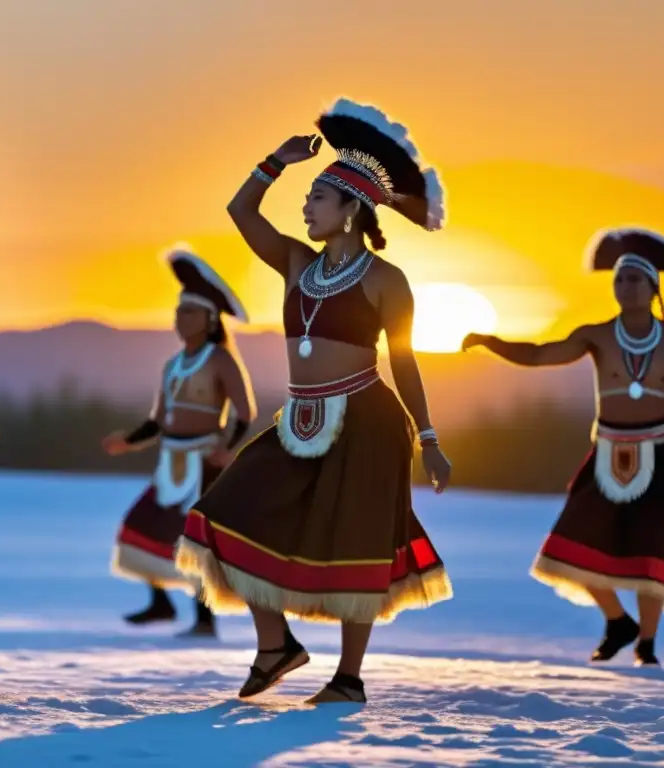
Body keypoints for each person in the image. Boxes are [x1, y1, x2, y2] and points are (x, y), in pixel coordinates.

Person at [176, 98, 454, 705]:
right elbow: (239, 210)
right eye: (307, 199)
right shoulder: (296, 263)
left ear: (350, 209)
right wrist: (277, 162)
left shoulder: (387, 281)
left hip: (370, 420)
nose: (306, 206)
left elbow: (404, 363)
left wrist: (428, 438)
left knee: (360, 539)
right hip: (299, 418)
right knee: (226, 510)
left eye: (318, 198)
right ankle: (276, 646)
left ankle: (348, 679)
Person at [463, 227, 664, 666]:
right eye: (619, 279)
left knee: (652, 557)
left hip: (660, 455)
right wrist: (493, 342)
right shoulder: (596, 336)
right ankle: (617, 621)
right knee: (572, 543)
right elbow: (541, 354)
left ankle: (647, 644)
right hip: (606, 453)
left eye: (635, 279)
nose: (626, 287)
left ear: (653, 286)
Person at [102, 247, 256, 637]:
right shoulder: (173, 364)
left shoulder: (221, 360)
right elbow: (158, 420)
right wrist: (129, 441)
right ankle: (160, 603)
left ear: (208, 319)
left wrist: (227, 448)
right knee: (139, 525)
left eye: (188, 312)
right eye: (177, 312)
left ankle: (204, 620)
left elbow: (244, 413)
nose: (179, 319)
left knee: (197, 542)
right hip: (171, 460)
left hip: (204, 459)